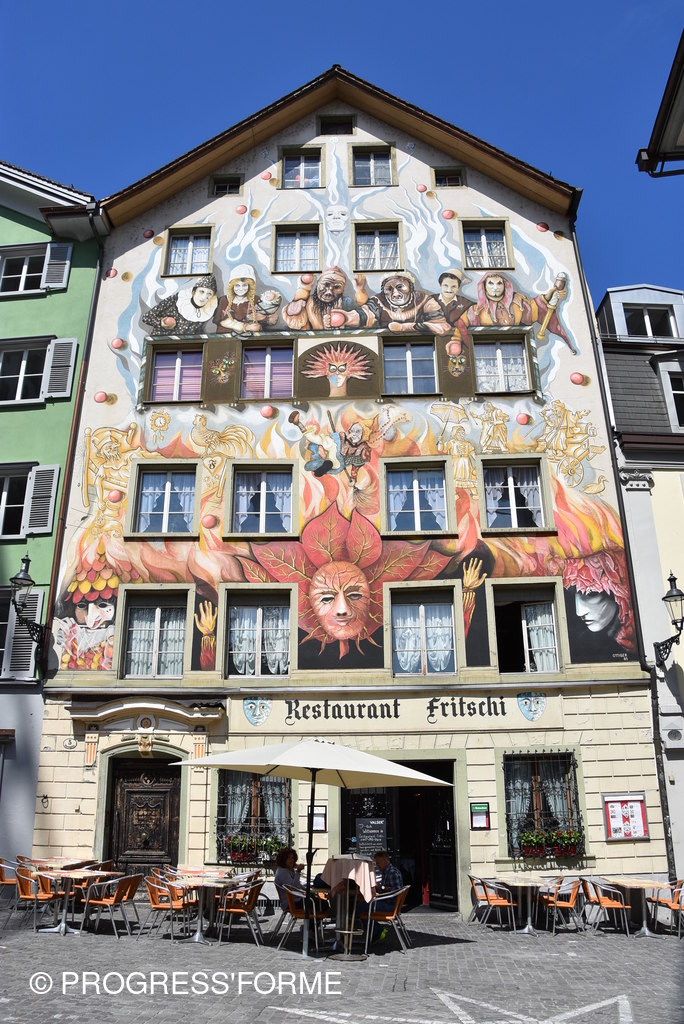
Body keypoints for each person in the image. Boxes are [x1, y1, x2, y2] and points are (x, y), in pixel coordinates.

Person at [141, 275, 219, 335]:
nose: (204, 297)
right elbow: (147, 317)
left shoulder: (207, 311)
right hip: (160, 344)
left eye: (209, 294)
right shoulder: (176, 299)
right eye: (201, 291)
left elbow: (195, 332)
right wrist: (162, 322)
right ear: (194, 292)